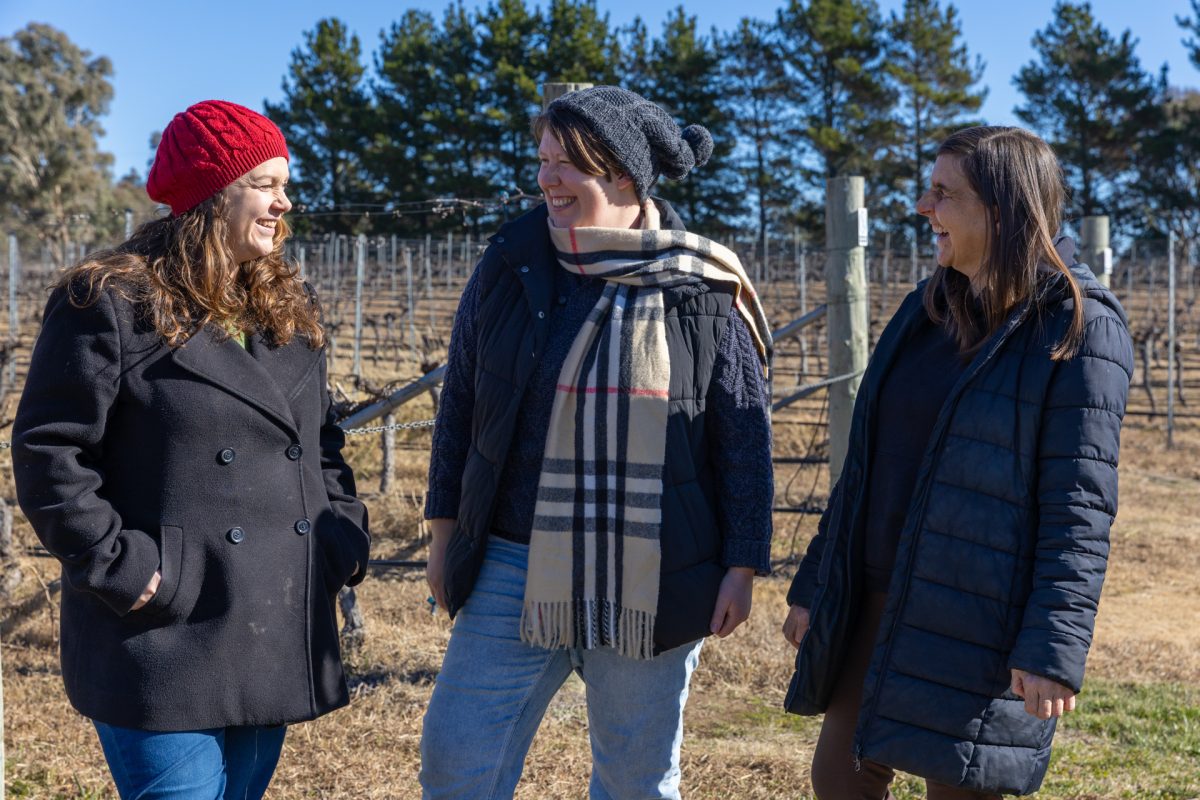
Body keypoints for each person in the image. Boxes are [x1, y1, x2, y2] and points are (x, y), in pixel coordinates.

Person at [419, 85, 774, 799]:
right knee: (456, 761)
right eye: (543, 160)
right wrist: (444, 528)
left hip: (654, 566)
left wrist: (742, 565)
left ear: (621, 173)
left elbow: (742, 436)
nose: (547, 179)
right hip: (513, 558)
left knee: (636, 779)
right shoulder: (511, 266)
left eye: (566, 164)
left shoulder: (701, 286)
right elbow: (461, 402)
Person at [12, 100, 370, 800]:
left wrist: (340, 532)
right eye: (265, 183)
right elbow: (50, 450)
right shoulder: (110, 301)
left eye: (283, 184)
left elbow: (320, 441)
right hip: (162, 629)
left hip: (272, 615)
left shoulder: (287, 307)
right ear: (214, 193)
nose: (284, 201)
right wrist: (121, 565)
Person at [781, 125, 1134, 798]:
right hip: (877, 598)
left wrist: (1051, 650)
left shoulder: (1078, 327)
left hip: (981, 619)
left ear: (1003, 209)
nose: (923, 206)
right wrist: (815, 585)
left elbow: (1078, 507)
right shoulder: (927, 307)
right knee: (839, 778)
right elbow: (865, 471)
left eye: (944, 193)